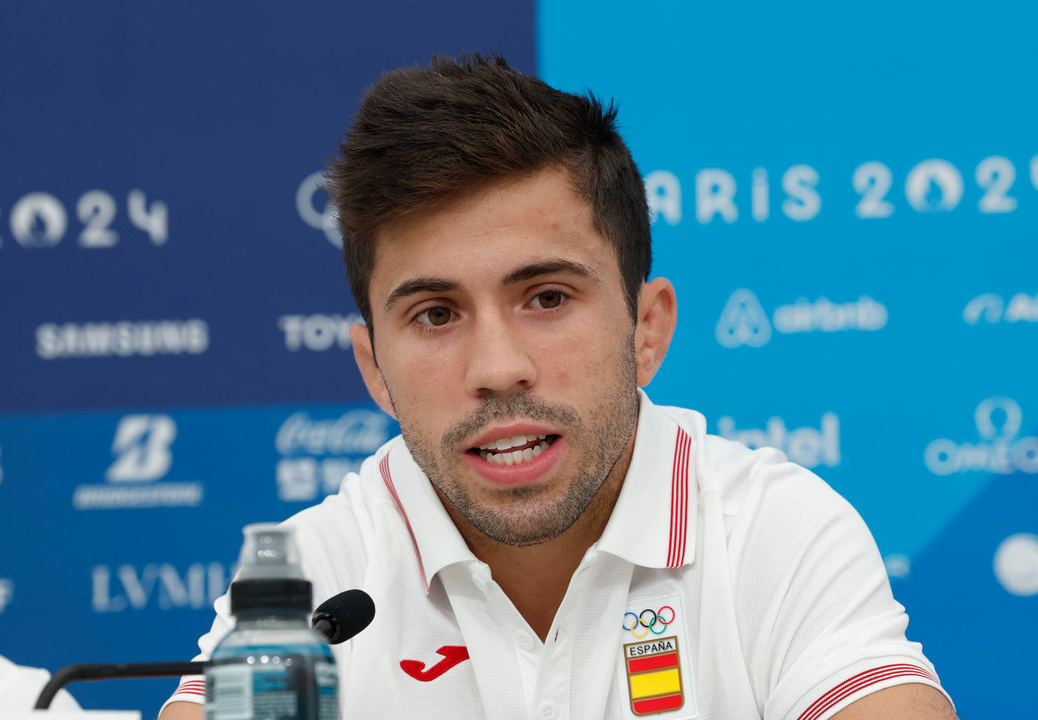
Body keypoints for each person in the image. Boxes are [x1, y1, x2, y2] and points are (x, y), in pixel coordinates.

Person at [160, 54, 956, 719]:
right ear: (375, 370)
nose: (497, 368)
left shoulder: (772, 531)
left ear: (647, 329)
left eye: (546, 298)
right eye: (436, 314)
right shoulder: (313, 582)